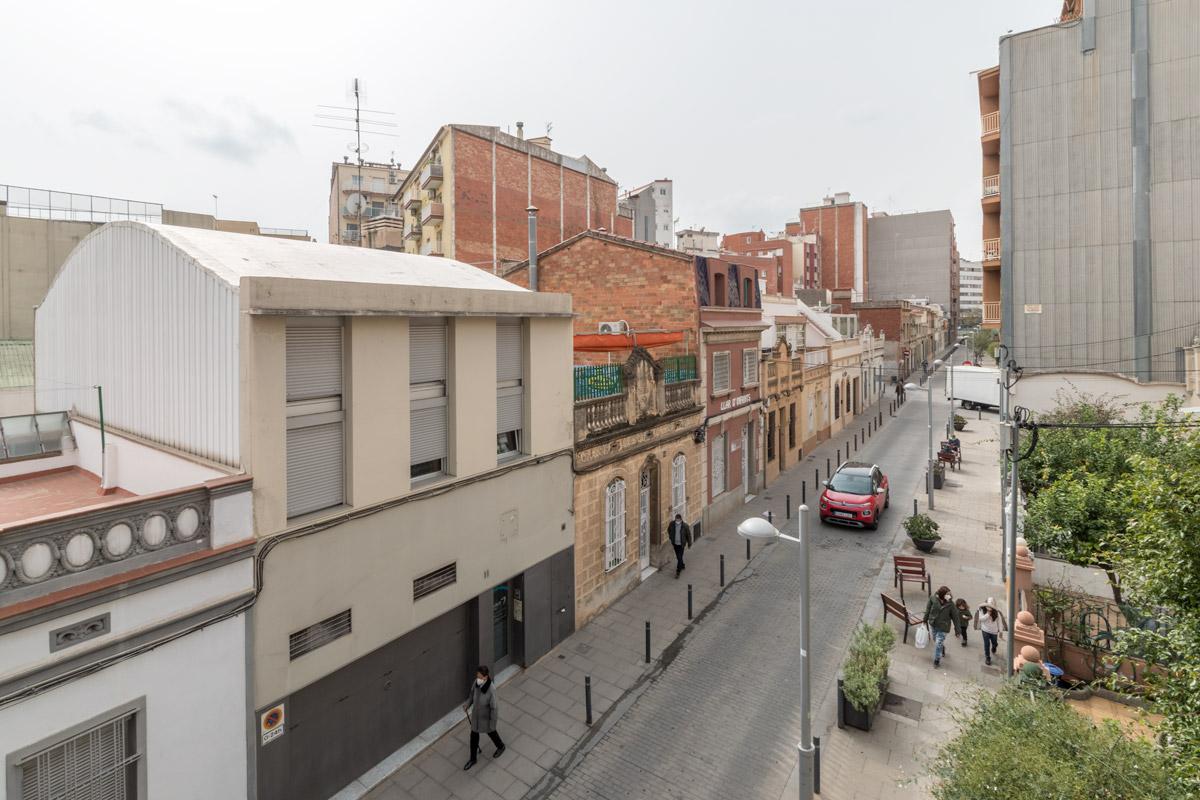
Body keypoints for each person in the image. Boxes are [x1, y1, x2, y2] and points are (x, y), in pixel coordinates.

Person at [463, 665, 505, 770]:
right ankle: (473, 759)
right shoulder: (476, 683)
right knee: (473, 737)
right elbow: (472, 695)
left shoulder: (491, 690)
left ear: (485, 677)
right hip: (476, 717)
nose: (478, 679)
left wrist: (492, 724)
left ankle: (501, 746)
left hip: (486, 719)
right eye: (477, 676)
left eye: (480, 677)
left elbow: (494, 708)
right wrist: (467, 704)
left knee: (491, 733)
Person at [923, 586, 956, 668]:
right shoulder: (933, 598)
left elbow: (955, 616)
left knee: (938, 643)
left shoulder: (950, 603)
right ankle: (942, 647)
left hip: (943, 626)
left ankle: (937, 660)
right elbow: (928, 610)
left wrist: (958, 630)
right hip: (933, 624)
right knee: (935, 639)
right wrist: (925, 620)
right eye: (947, 594)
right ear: (942, 594)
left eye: (949, 594)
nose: (949, 595)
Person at [973, 597, 1008, 667]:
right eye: (988, 606)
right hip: (985, 630)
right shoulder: (981, 610)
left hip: (994, 631)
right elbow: (981, 619)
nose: (989, 607)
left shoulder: (997, 612)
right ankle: (987, 657)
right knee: (987, 644)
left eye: (991, 606)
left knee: (994, 642)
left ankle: (994, 646)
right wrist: (988, 614)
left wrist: (1001, 632)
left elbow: (999, 623)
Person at [667, 513, 692, 578]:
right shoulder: (672, 524)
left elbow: (688, 535)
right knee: (679, 557)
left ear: (681, 519)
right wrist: (671, 537)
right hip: (675, 544)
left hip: (681, 544)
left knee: (679, 557)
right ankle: (682, 565)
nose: (677, 521)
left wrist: (689, 544)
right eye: (676, 520)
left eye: (678, 520)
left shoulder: (685, 526)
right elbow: (669, 530)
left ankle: (678, 571)